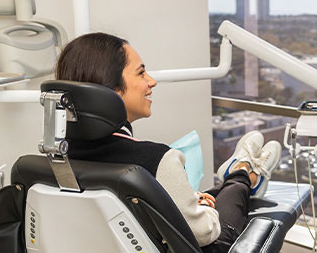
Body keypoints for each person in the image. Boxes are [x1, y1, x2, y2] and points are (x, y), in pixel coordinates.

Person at [54, 32, 282, 253]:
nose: (151, 81)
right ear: (108, 89)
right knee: (225, 203)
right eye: (141, 73)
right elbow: (204, 232)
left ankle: (236, 173)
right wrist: (204, 209)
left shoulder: (52, 163)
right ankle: (244, 173)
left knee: (208, 194)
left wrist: (194, 202)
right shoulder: (156, 161)